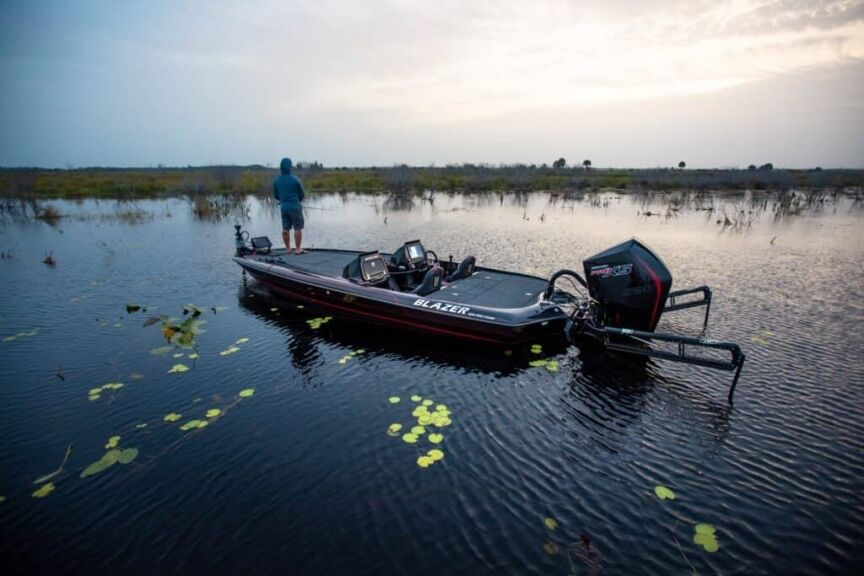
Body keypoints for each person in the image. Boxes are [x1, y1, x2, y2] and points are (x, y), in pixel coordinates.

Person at [273, 157, 306, 254]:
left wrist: (283, 200)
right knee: (297, 228)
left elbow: (276, 195)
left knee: (285, 228)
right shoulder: (295, 180)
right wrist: (297, 201)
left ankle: (287, 249)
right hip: (295, 207)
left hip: (284, 207)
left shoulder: (276, 181)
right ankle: (298, 249)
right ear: (289, 167)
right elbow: (302, 194)